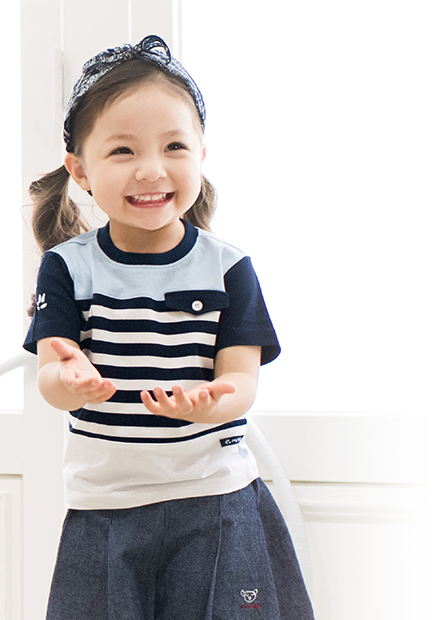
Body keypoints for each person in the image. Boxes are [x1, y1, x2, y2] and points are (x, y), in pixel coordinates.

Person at [23, 35, 313, 620]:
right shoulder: (68, 267)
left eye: (174, 145)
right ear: (80, 170)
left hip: (216, 502)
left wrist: (212, 401)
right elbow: (51, 379)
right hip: (105, 507)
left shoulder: (229, 268)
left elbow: (242, 382)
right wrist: (70, 380)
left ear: (201, 154)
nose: (151, 169)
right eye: (122, 150)